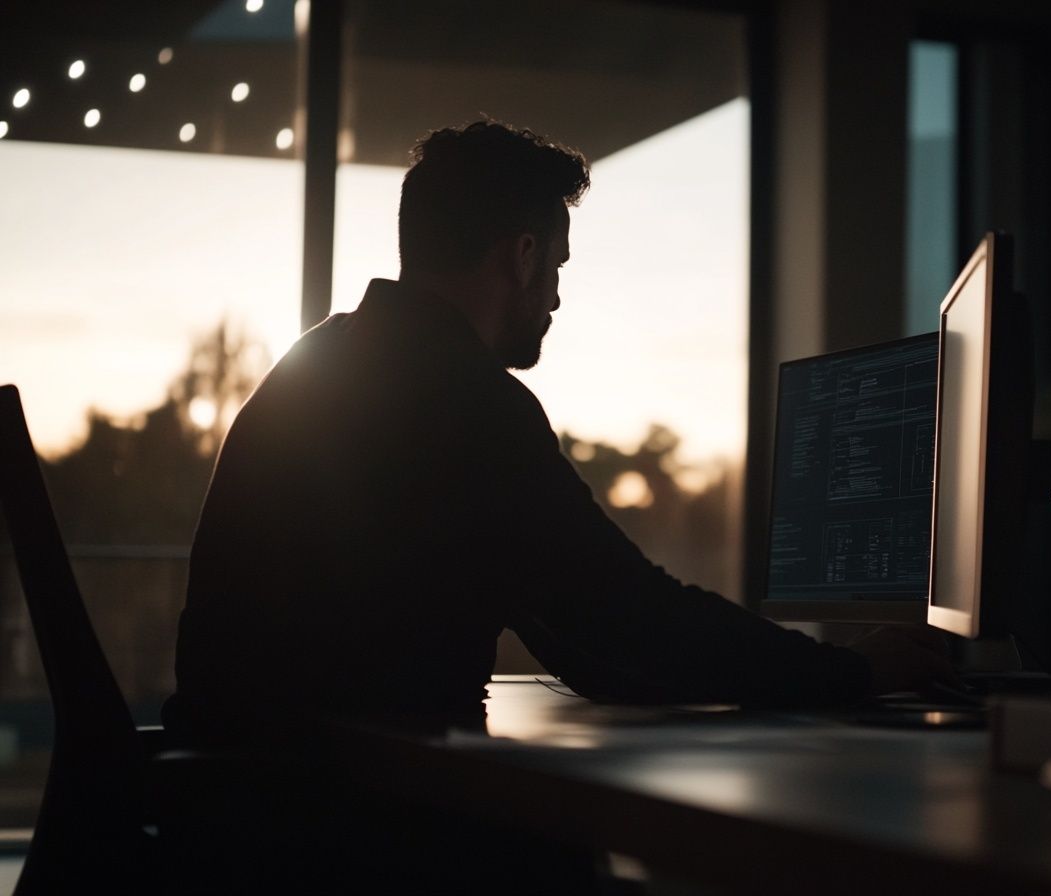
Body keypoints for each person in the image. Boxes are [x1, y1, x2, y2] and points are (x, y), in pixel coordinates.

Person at [166, 119, 952, 744]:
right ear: (523, 255)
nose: (556, 298)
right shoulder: (462, 400)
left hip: (250, 797)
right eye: (559, 268)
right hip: (339, 826)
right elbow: (624, 619)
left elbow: (579, 628)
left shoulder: (323, 359)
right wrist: (849, 673)